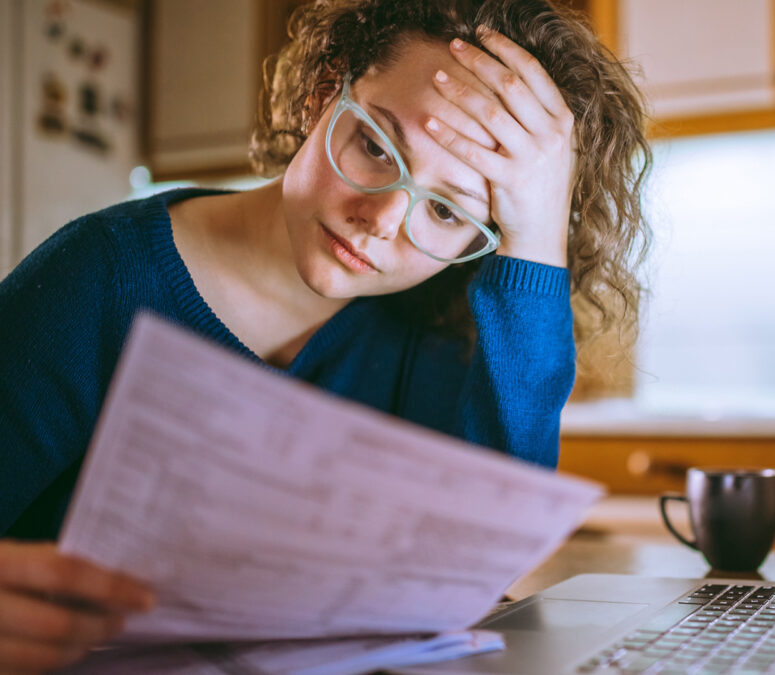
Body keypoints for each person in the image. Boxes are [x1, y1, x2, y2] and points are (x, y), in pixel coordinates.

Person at [0, 0, 651, 670]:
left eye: (446, 209)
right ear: (322, 96)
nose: (380, 221)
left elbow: (480, 567)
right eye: (374, 145)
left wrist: (539, 239)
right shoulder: (96, 278)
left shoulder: (437, 327)